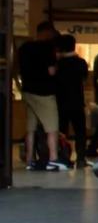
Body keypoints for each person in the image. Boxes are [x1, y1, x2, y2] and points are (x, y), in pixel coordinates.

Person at [18, 22, 68, 171]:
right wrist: (57, 61)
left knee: (30, 128)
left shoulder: (23, 48)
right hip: (44, 92)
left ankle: (30, 159)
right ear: (47, 33)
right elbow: (51, 71)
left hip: (27, 91)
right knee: (51, 126)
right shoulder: (47, 48)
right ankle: (53, 159)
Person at [53, 34, 90, 169]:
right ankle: (81, 158)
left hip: (60, 101)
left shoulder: (57, 63)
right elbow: (84, 79)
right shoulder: (80, 62)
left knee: (62, 130)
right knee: (80, 131)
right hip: (77, 101)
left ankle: (63, 156)